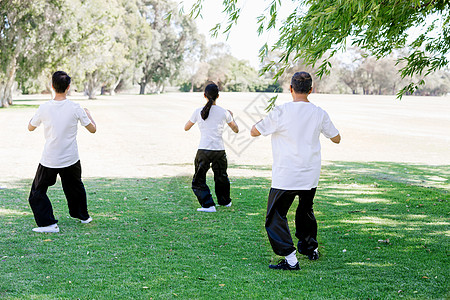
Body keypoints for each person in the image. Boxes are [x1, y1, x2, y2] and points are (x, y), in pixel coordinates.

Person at [251, 72, 341, 270]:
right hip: (310, 173)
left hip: (286, 174)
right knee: (305, 210)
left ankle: (291, 259)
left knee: (275, 216)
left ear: (290, 89)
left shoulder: (281, 111)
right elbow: (336, 138)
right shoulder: (319, 112)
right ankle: (310, 249)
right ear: (311, 89)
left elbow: (254, 131)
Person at [28, 71, 97, 233]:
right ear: (68, 87)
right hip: (71, 158)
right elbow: (92, 129)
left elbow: (30, 127)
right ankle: (84, 217)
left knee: (37, 192)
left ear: (52, 86)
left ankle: (49, 224)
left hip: (50, 158)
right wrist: (89, 115)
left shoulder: (44, 108)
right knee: (75, 187)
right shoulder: (76, 108)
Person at [185, 83, 239, 212]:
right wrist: (232, 116)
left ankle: (208, 205)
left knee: (198, 180)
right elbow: (236, 130)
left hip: (204, 150)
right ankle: (225, 202)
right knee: (221, 176)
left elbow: (186, 127)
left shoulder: (198, 111)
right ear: (218, 96)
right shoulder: (224, 112)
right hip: (219, 150)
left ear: (204, 95)